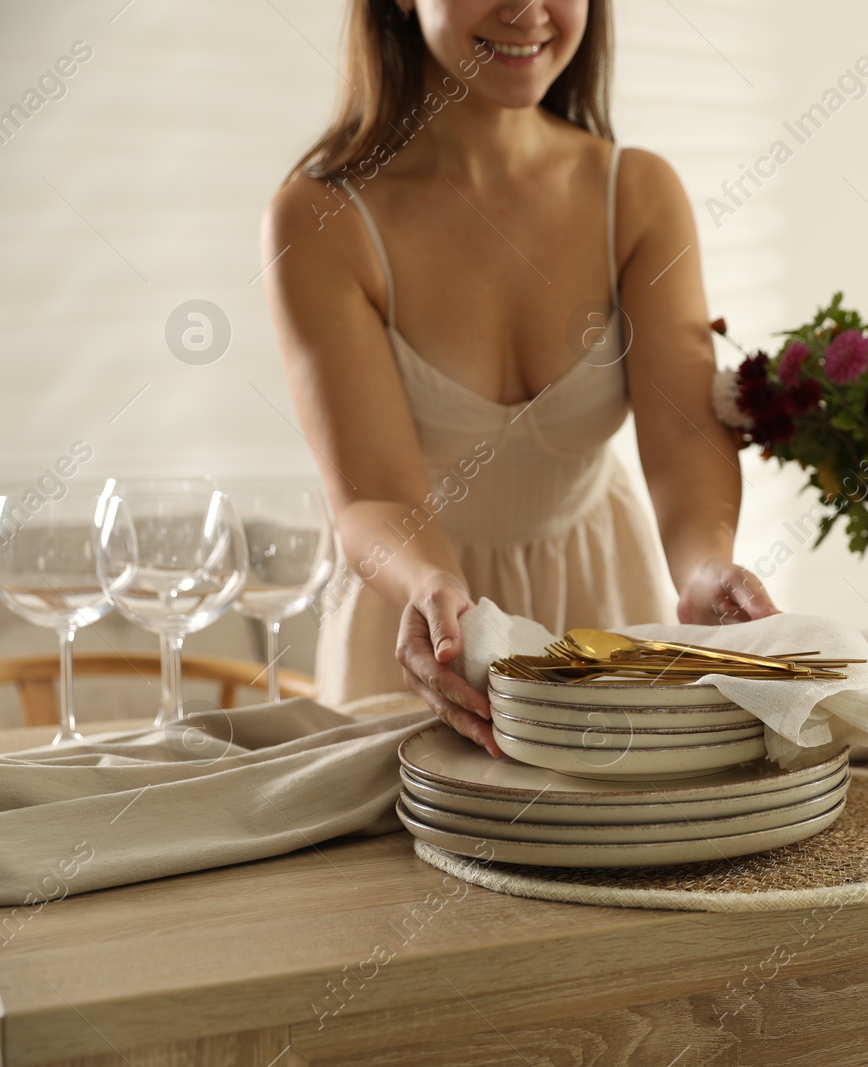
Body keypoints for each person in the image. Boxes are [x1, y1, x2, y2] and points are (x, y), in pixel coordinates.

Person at [262, 0, 776, 755]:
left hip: (609, 602)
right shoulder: (321, 217)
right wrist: (432, 590)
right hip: (420, 621)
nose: (528, 9)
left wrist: (703, 564)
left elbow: (682, 436)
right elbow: (374, 494)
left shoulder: (634, 193)